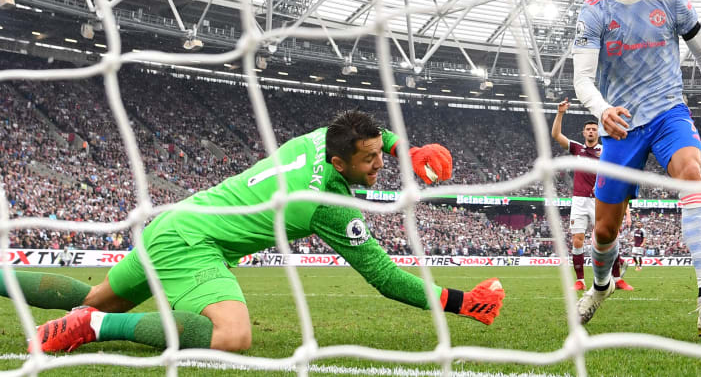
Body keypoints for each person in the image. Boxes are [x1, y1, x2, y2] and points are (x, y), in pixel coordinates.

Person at [8, 110, 504, 354]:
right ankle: (91, 329)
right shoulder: (325, 204)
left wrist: (403, 149)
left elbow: (361, 130)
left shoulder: (317, 140)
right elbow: (385, 277)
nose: (379, 165)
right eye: (369, 159)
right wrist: (464, 302)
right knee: (233, 335)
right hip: (193, 242)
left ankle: (56, 302)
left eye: (380, 154)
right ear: (338, 162)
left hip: (177, 221)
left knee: (96, 295)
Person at [571, 0, 701, 338]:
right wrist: (602, 109)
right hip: (622, 125)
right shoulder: (593, 12)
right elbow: (582, 79)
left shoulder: (671, 1)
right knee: (605, 230)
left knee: (691, 173)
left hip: (668, 114)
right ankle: (601, 286)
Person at [550, 99, 632, 292]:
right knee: (577, 239)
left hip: (600, 201)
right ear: (583, 133)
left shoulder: (605, 151)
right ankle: (580, 281)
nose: (590, 132)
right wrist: (560, 113)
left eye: (594, 129)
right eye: (588, 129)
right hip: (579, 200)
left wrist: (625, 208)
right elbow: (556, 135)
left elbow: (616, 179)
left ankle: (617, 278)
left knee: (609, 238)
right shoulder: (578, 149)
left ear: (599, 132)